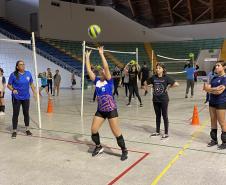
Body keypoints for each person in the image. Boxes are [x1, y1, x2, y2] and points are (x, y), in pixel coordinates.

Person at [85, 46, 128, 161]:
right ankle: (98, 147)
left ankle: (124, 150)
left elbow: (106, 67)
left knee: (116, 132)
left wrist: (101, 53)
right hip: (100, 110)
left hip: (111, 110)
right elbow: (89, 70)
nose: (103, 71)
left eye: (104, 71)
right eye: (101, 71)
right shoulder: (97, 81)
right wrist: (87, 57)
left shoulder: (109, 81)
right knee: (94, 129)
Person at [148, 63, 179, 139]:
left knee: (164, 116)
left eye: (159, 68)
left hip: (164, 100)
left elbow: (177, 84)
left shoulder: (166, 78)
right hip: (155, 99)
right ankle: (157, 131)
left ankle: (166, 133)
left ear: (163, 69)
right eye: (157, 68)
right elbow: (146, 83)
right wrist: (151, 85)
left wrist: (169, 86)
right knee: (157, 116)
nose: (157, 69)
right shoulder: (153, 77)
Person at [7, 60, 36, 139]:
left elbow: (31, 84)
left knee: (26, 113)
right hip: (16, 97)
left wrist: (35, 93)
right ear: (17, 67)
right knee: (16, 113)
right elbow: (8, 85)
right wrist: (13, 89)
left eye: (23, 64)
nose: (23, 65)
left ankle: (27, 129)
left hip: (26, 97)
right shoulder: (13, 75)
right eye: (21, 64)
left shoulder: (28, 73)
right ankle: (14, 131)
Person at [203, 60, 226, 149]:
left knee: (222, 122)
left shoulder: (225, 78)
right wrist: (214, 89)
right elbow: (205, 88)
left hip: (221, 102)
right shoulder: (214, 78)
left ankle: (224, 142)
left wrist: (210, 89)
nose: (216, 67)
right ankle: (214, 140)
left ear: (224, 67)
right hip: (212, 102)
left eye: (218, 65)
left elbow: (219, 91)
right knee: (213, 121)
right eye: (215, 66)